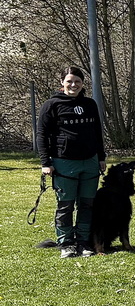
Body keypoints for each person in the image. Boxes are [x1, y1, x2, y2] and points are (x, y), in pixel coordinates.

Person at [36, 67, 107, 258]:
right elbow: (41, 135)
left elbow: (97, 133)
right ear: (62, 82)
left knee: (87, 204)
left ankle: (83, 242)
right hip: (64, 163)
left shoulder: (90, 104)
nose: (73, 85)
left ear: (83, 84)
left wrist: (101, 157)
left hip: (90, 162)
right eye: (69, 81)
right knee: (65, 205)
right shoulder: (51, 105)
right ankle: (66, 243)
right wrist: (45, 162)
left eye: (77, 81)